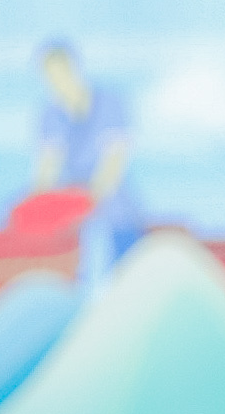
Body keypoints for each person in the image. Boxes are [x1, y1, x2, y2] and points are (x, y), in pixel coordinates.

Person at [30, 38, 146, 280]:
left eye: (61, 72)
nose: (57, 81)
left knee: (121, 263)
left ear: (75, 68)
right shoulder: (51, 115)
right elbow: (47, 166)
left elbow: (114, 161)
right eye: (50, 75)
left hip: (115, 211)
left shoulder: (110, 103)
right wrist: (42, 202)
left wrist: (89, 199)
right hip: (75, 212)